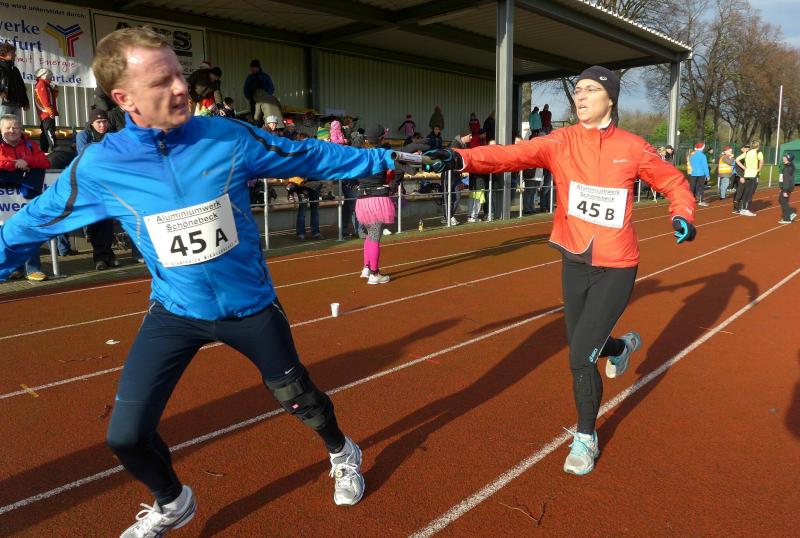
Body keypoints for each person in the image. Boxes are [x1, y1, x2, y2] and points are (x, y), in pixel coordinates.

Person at [0, 27, 396, 537]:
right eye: (161, 81)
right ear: (124, 99)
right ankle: (172, 502)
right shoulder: (101, 167)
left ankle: (342, 452)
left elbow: (307, 156)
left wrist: (384, 159)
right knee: (125, 437)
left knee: (300, 399)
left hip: (249, 307)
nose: (181, 88)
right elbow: (30, 224)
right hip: (176, 312)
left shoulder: (226, 137)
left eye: (179, 75)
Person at [423, 65, 696, 476]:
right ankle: (619, 348)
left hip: (617, 264)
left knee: (579, 357)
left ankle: (585, 436)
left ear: (610, 99)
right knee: (585, 341)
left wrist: (683, 214)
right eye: (577, 90)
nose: (580, 96)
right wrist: (461, 158)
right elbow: (509, 156)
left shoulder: (633, 147)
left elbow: (674, 183)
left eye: (590, 90)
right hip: (574, 259)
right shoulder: (560, 141)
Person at [0, 114, 50, 281]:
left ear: (21, 129)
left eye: (15, 127)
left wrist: (26, 161)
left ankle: (32, 269)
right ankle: (12, 268)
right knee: (6, 234)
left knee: (28, 230)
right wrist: (15, 164)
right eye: (8, 128)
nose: (12, 130)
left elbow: (45, 162)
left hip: (23, 197)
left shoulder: (30, 144)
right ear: (1, 130)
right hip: (4, 199)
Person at [77, 108, 118, 270]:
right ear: (92, 123)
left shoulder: (112, 136)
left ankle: (102, 257)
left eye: (104, 121)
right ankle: (105, 255)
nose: (102, 125)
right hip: (90, 184)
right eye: (98, 122)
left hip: (108, 183)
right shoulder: (83, 135)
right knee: (95, 221)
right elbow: (85, 156)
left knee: (106, 221)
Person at [356, 124, 397, 284]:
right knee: (374, 236)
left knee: (370, 235)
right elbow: (395, 169)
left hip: (362, 200)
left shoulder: (360, 154)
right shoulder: (383, 153)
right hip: (377, 199)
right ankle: (374, 273)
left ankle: (366, 268)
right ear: (381, 138)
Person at [0, 43, 29, 121]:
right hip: (4, 104)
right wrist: (1, 92)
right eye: (12, 52)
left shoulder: (15, 69)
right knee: (3, 125)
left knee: (16, 126)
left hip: (16, 104)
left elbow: (21, 86)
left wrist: (25, 102)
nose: (15, 55)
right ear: (4, 53)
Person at [734, 141, 763, 216]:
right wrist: (759, 169)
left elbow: (736, 160)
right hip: (754, 175)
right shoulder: (758, 152)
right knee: (750, 193)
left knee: (746, 192)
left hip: (747, 174)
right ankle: (746, 209)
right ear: (758, 146)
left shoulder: (747, 152)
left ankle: (743, 209)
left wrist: (744, 167)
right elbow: (761, 161)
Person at [34, 68, 59, 153]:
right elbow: (45, 100)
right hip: (46, 113)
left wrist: (55, 91)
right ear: (45, 75)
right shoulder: (41, 84)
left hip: (46, 113)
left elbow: (51, 98)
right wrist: (50, 111)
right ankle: (54, 150)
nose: (51, 78)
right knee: (50, 132)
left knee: (45, 133)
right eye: (50, 76)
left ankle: (43, 151)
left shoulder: (45, 85)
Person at [688, 142, 710, 206]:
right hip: (701, 174)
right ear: (702, 148)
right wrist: (707, 175)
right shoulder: (703, 156)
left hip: (693, 173)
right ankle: (701, 201)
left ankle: (690, 200)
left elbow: (691, 164)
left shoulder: (692, 156)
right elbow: (705, 166)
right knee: (701, 187)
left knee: (692, 187)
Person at [778, 153, 796, 224]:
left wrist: (784, 190)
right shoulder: (789, 166)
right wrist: (782, 187)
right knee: (781, 200)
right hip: (787, 187)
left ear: (788, 159)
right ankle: (788, 215)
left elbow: (786, 179)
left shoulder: (787, 168)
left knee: (783, 201)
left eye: (785, 157)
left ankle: (788, 217)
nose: (783, 157)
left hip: (786, 187)